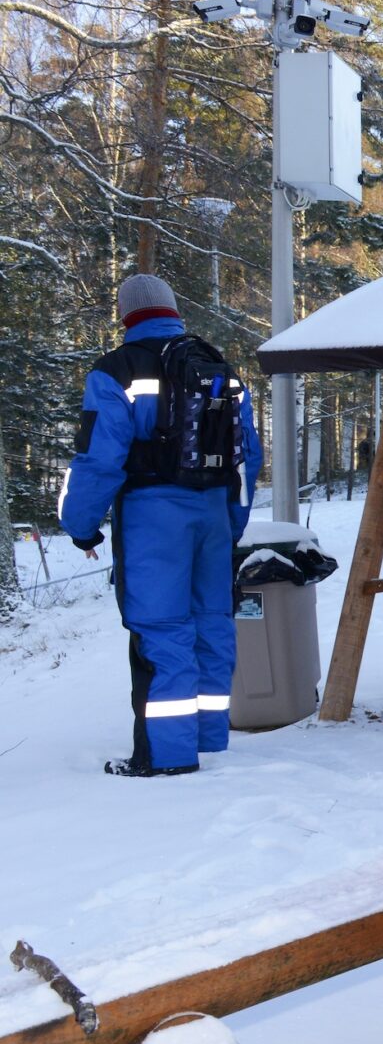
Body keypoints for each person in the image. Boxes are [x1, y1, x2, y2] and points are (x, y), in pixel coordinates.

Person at [58, 273, 262, 777]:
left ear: (126, 315)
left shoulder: (115, 371)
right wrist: (231, 523)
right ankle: (209, 738)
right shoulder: (219, 367)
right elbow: (248, 458)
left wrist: (80, 525)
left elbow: (99, 460)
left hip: (153, 517)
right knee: (211, 624)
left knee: (161, 630)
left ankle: (167, 757)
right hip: (213, 511)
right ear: (171, 309)